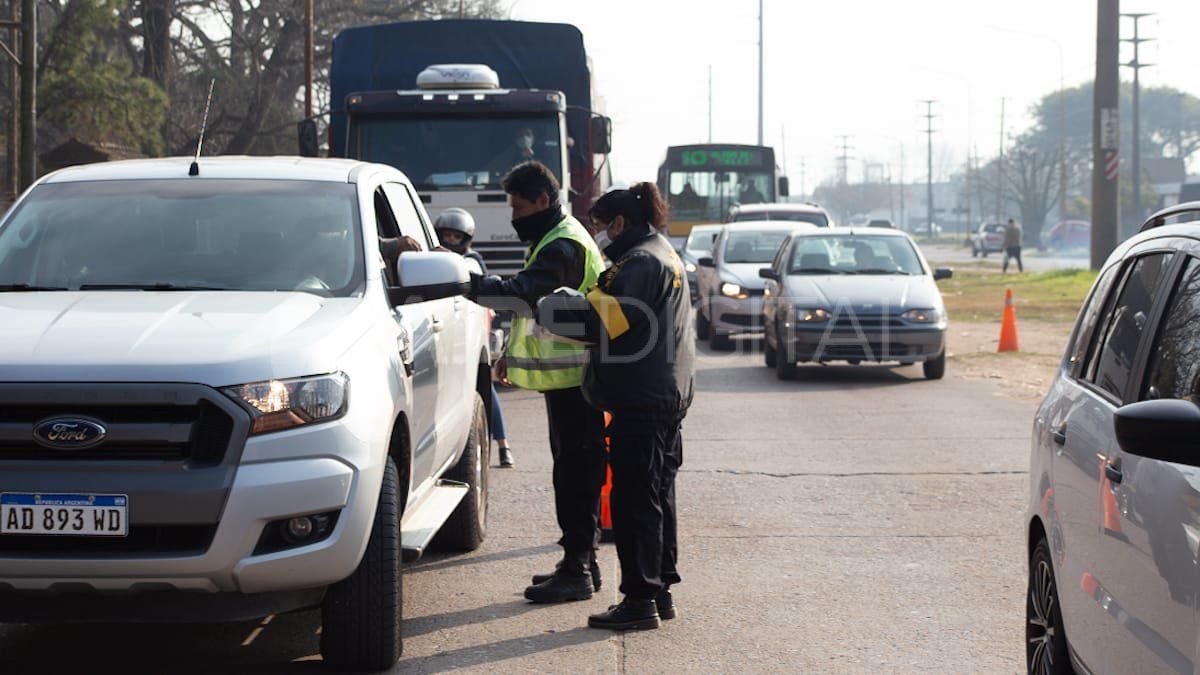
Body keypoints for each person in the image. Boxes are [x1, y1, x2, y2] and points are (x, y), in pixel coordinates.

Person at [537, 182, 696, 631]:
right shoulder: (662, 252)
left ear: (620, 223)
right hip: (664, 395)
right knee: (657, 497)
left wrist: (551, 308)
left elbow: (600, 322)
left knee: (634, 503)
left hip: (641, 399)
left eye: (601, 226)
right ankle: (659, 591)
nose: (599, 236)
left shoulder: (639, 263)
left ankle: (639, 599)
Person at [468, 161, 609, 603]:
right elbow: (535, 308)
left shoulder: (562, 245)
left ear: (543, 200)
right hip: (572, 381)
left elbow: (521, 292)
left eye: (519, 207)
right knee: (575, 472)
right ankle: (581, 562)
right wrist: (510, 353)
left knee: (576, 475)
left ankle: (577, 569)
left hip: (578, 382)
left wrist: (468, 285)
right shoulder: (555, 237)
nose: (514, 217)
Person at [435, 208, 514, 468]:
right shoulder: (435, 259)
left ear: (466, 239)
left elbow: (468, 275)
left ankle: (503, 445)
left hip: (469, 334)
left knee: (485, 387)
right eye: (446, 235)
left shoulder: (471, 261)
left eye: (456, 237)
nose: (450, 240)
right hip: (446, 333)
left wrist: (446, 259)